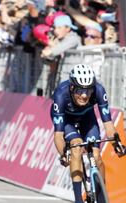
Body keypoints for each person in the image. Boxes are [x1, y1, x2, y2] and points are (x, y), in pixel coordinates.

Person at [50, 64, 124, 203]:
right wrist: (63, 154)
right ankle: (78, 199)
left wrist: (117, 144)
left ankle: (101, 194)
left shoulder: (99, 90)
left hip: (87, 118)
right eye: (79, 90)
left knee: (96, 156)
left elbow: (108, 126)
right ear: (72, 87)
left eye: (88, 91)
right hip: (67, 121)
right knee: (76, 148)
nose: (84, 95)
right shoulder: (60, 95)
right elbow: (58, 135)